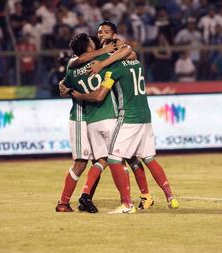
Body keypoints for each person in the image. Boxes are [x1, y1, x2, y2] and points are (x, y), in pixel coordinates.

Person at [72, 41, 179, 214]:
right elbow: (131, 51)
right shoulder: (137, 63)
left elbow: (99, 95)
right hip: (146, 116)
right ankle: (170, 197)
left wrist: (79, 95)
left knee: (114, 159)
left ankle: (127, 204)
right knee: (148, 158)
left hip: (129, 117)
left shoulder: (114, 70)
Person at [55, 34, 131, 212]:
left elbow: (64, 86)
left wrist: (64, 86)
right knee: (92, 162)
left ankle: (86, 197)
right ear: (89, 48)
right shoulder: (103, 59)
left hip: (90, 120)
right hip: (86, 117)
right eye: (92, 43)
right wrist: (109, 50)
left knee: (102, 159)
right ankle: (67, 201)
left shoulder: (71, 68)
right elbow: (129, 53)